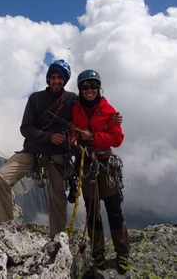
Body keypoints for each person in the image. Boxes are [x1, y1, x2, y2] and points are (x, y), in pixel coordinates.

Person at [0, 59, 76, 239]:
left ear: (65, 80)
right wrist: (49, 137)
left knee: (58, 199)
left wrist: (113, 118)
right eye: (53, 77)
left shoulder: (72, 100)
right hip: (33, 152)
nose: (56, 81)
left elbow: (90, 111)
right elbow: (26, 128)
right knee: (1, 177)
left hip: (57, 155)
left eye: (60, 78)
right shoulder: (35, 98)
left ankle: (57, 239)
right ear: (48, 79)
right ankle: (6, 225)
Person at [71, 69, 130, 274]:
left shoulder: (109, 111)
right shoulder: (75, 108)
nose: (89, 90)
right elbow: (71, 129)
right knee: (93, 214)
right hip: (86, 167)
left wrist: (92, 136)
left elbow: (117, 139)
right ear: (80, 89)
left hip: (104, 167)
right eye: (85, 87)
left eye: (93, 86)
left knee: (114, 211)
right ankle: (98, 255)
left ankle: (122, 253)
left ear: (99, 88)